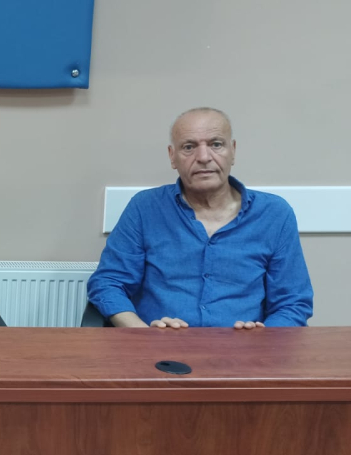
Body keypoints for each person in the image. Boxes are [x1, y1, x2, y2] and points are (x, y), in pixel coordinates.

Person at [87, 107, 312, 329]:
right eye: (189, 147)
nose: (204, 157)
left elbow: (293, 303)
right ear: (172, 156)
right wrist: (143, 334)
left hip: (244, 349)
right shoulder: (144, 208)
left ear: (233, 151)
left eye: (216, 144)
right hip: (158, 346)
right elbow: (108, 283)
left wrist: (263, 339)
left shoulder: (274, 214)